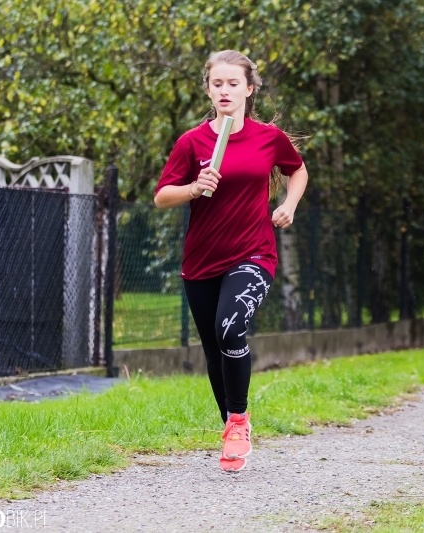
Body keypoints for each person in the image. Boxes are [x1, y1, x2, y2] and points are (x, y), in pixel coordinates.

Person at [154, 50, 308, 473]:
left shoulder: (268, 138)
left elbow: (297, 170)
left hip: (253, 253)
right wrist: (193, 187)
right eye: (217, 84)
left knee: (230, 327)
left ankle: (239, 422)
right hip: (202, 259)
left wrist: (289, 204)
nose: (225, 90)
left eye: (233, 83)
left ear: (249, 89)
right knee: (214, 349)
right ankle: (232, 426)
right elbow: (162, 196)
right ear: (208, 90)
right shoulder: (192, 142)